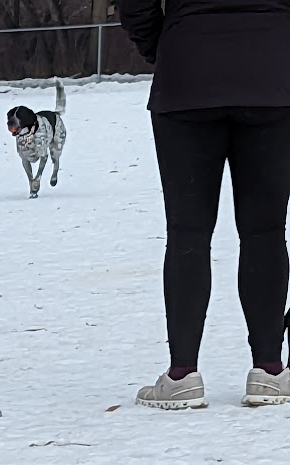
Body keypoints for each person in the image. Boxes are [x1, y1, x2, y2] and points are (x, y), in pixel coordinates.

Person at [121, 0, 290, 406]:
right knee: (265, 230)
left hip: (187, 75)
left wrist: (165, 47)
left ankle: (182, 375)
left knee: (187, 231)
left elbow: (135, 4)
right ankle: (268, 370)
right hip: (273, 76)